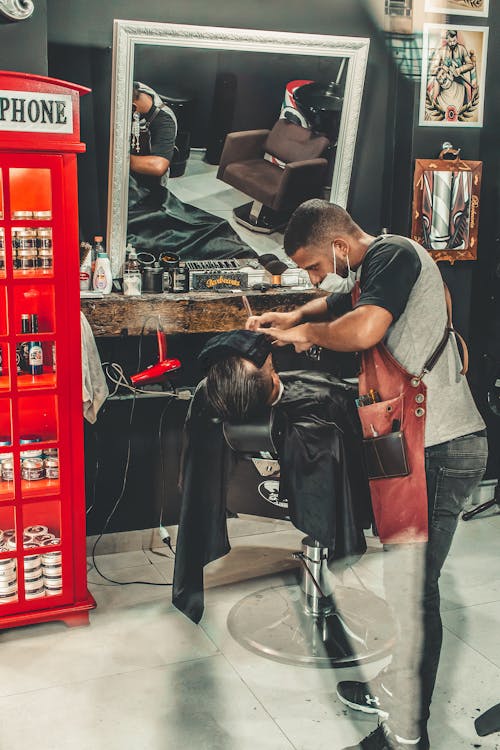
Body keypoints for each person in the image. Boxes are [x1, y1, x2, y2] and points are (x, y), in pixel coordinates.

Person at [247, 199, 487, 750]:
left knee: (412, 592)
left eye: (312, 263)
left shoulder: (394, 253)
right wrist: (294, 316)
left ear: (337, 244)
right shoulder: (371, 271)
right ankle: (398, 688)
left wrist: (306, 337)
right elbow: (336, 301)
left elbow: (362, 327)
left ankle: (407, 735)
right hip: (420, 448)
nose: (316, 275)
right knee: (404, 584)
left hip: (441, 450)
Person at [127, 82, 256, 261]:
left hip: (149, 191)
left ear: (133, 107)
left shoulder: (163, 120)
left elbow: (158, 166)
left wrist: (118, 158)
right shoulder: (133, 89)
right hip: (131, 189)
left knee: (193, 228)